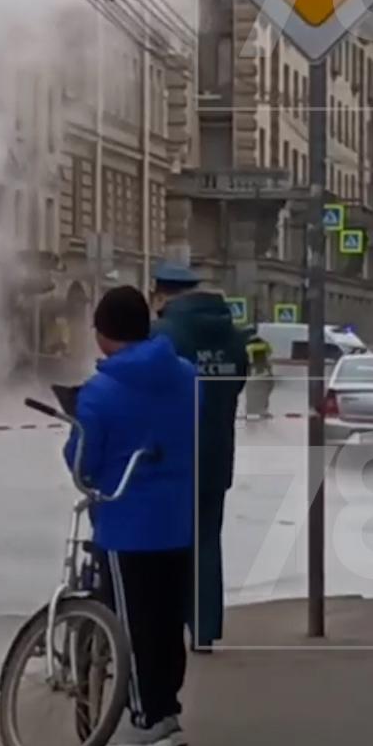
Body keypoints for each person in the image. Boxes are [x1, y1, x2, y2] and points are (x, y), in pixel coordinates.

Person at [70, 285, 198, 746]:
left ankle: (146, 723)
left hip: (126, 525)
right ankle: (167, 714)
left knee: (131, 625)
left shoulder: (100, 391)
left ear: (104, 334)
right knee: (166, 621)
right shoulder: (186, 375)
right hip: (178, 517)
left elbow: (83, 463)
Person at [149, 261, 248, 654]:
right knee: (207, 541)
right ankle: (205, 631)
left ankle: (168, 627)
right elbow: (236, 384)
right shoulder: (233, 337)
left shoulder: (163, 335)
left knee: (168, 544)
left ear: (161, 294)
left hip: (172, 456)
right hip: (217, 452)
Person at [244, 329, 273, 420]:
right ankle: (262, 411)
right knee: (264, 393)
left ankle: (251, 411)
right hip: (263, 372)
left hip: (254, 373)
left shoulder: (248, 346)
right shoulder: (264, 344)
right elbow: (269, 353)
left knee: (251, 394)